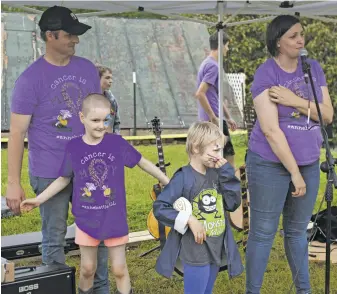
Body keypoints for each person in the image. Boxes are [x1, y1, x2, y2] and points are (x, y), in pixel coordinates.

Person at [5, 6, 111, 293]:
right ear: (50, 36)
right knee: (53, 236)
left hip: (89, 168)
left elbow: (98, 117)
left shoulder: (87, 69)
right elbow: (16, 134)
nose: (75, 40)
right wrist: (13, 184)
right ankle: (56, 288)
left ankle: (99, 289)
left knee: (96, 234)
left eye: (76, 34)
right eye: (69, 34)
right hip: (49, 172)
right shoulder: (29, 79)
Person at [21, 93, 170, 294]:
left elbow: (142, 161)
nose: (101, 125)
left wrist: (165, 180)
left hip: (114, 219)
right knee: (88, 269)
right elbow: (64, 178)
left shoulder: (116, 143)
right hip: (87, 221)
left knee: (119, 269)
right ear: (82, 117)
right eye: (95, 120)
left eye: (105, 119)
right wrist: (39, 199)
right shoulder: (74, 147)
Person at [245, 15, 333, 294]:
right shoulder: (266, 73)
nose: (300, 39)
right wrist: (294, 173)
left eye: (302, 34)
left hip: (309, 162)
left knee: (297, 232)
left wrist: (292, 99)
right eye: (293, 35)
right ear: (278, 42)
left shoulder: (313, 68)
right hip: (269, 163)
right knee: (262, 233)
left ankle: (303, 291)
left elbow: (328, 115)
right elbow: (271, 130)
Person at [153, 122, 244, 294]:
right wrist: (189, 219)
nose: (219, 156)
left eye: (221, 151)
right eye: (215, 150)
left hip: (215, 247)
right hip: (195, 252)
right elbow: (160, 207)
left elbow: (233, 203)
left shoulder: (217, 174)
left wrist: (226, 172)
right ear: (196, 148)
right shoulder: (183, 177)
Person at [195, 32, 238, 167]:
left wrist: (228, 117)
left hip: (216, 118)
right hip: (214, 120)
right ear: (220, 45)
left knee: (214, 157)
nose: (228, 49)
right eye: (227, 46)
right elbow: (200, 94)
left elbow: (214, 95)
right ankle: (231, 186)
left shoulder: (207, 63)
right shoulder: (213, 66)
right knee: (227, 156)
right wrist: (213, 118)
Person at [97, 65, 121, 134]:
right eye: (107, 78)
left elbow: (116, 122)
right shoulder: (85, 99)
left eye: (111, 78)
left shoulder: (111, 100)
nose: (111, 81)